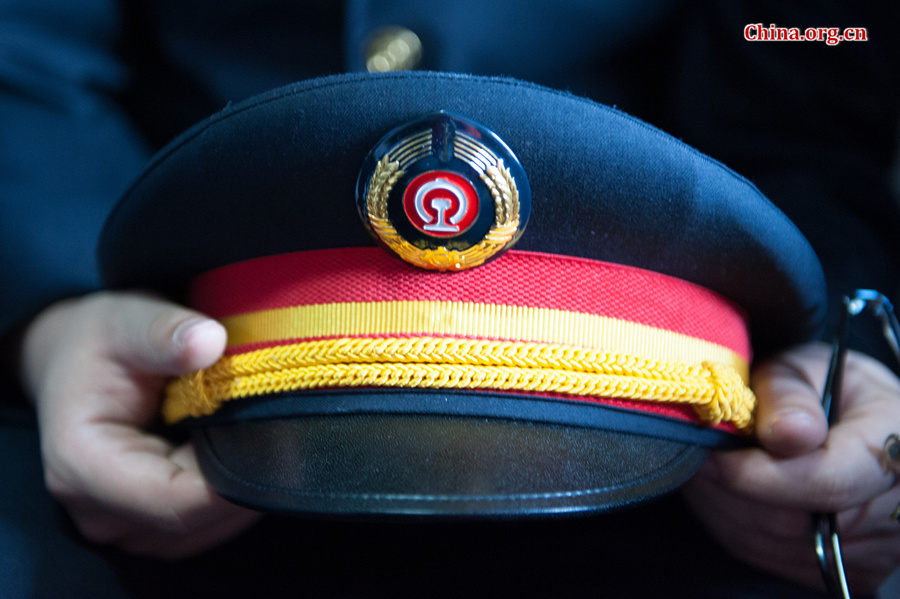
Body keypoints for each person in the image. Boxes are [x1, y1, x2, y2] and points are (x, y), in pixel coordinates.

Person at [2, 1, 898, 597]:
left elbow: (812, 52)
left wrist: (844, 346)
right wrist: (53, 308)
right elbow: (25, 51)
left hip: (692, 438)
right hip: (163, 379)